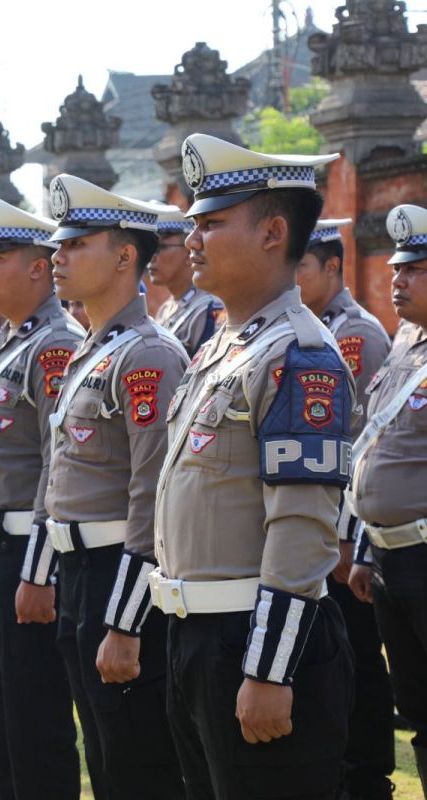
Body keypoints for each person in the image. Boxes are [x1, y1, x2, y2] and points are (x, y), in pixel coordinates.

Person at [153, 133, 355, 799]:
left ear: (273, 232)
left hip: (253, 640)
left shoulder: (299, 356)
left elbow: (300, 527)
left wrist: (270, 670)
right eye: (193, 225)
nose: (194, 240)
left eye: (212, 223)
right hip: (197, 637)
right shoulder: (224, 349)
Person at [45, 173, 188, 799]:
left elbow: (151, 497)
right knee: (102, 752)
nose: (58, 256)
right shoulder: (92, 350)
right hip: (80, 574)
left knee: (137, 760)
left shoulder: (148, 355)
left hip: (119, 578)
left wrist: (127, 622)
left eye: (77, 244)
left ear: (126, 256)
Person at [0, 196, 84, 800]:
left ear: (37, 267)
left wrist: (38, 571)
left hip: (25, 558)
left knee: (34, 720)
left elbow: (58, 469)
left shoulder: (55, 346)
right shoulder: (7, 341)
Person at [296, 217, 397, 800]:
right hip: (310, 532)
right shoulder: (306, 328)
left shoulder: (354, 335)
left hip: (340, 535)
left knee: (357, 656)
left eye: (303, 265)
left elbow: (360, 445)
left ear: (333, 267)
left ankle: (366, 774)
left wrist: (343, 537)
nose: (294, 276)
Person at [349, 204, 427, 799]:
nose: (396, 279)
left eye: (415, 269)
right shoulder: (403, 342)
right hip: (388, 560)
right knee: (419, 712)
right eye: (397, 268)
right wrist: (361, 550)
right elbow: (374, 450)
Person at [149, 207, 224, 357]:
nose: (152, 257)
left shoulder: (207, 309)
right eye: (150, 248)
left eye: (160, 247)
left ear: (188, 251)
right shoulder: (165, 308)